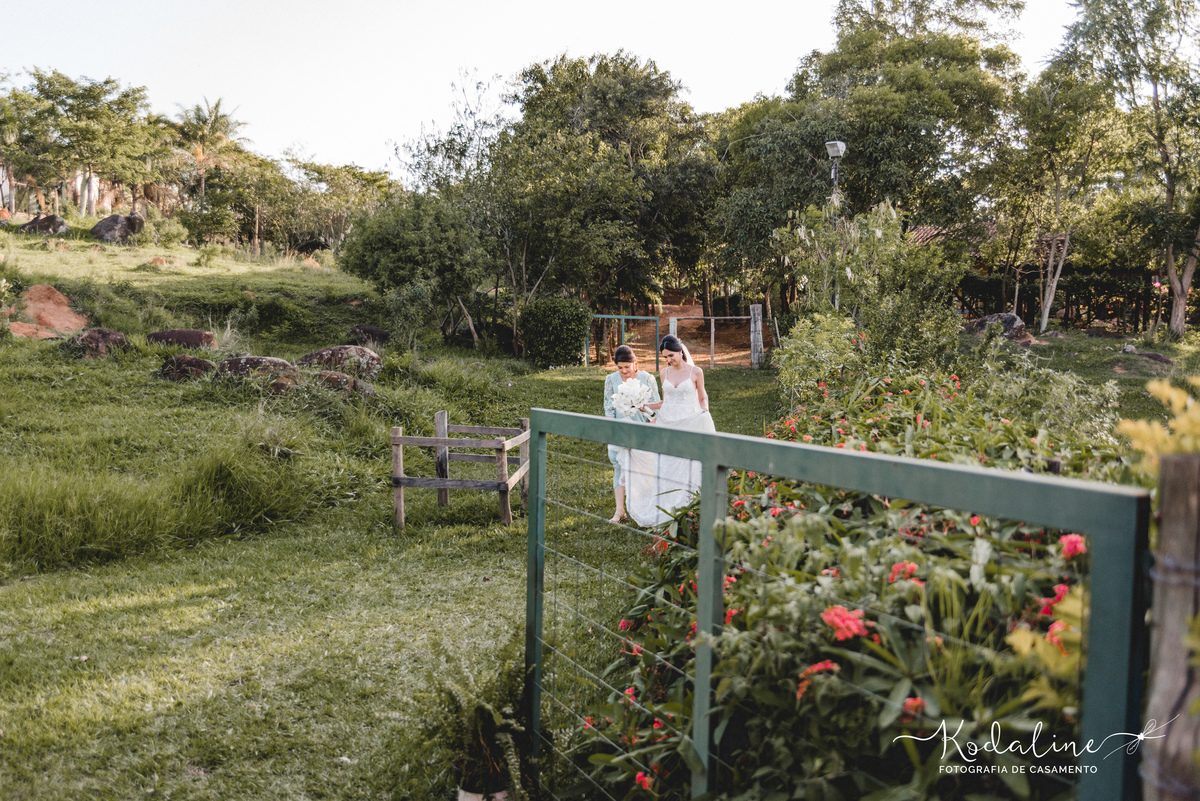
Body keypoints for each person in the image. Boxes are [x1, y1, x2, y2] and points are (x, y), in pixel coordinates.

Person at [622, 334, 717, 527]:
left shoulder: (696, 372)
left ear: (681, 352)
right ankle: (665, 508)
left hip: (687, 422)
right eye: (665, 357)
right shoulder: (664, 373)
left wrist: (704, 411)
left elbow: (701, 398)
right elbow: (665, 402)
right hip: (667, 422)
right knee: (666, 463)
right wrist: (645, 405)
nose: (668, 360)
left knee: (685, 464)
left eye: (671, 355)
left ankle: (687, 507)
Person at [603, 345, 660, 523]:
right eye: (620, 368)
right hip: (620, 429)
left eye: (627, 367)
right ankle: (620, 511)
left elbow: (656, 407)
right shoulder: (611, 380)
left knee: (646, 470)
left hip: (642, 430)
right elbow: (608, 407)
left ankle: (646, 507)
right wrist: (614, 429)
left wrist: (651, 425)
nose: (624, 371)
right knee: (619, 468)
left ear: (635, 363)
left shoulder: (647, 379)